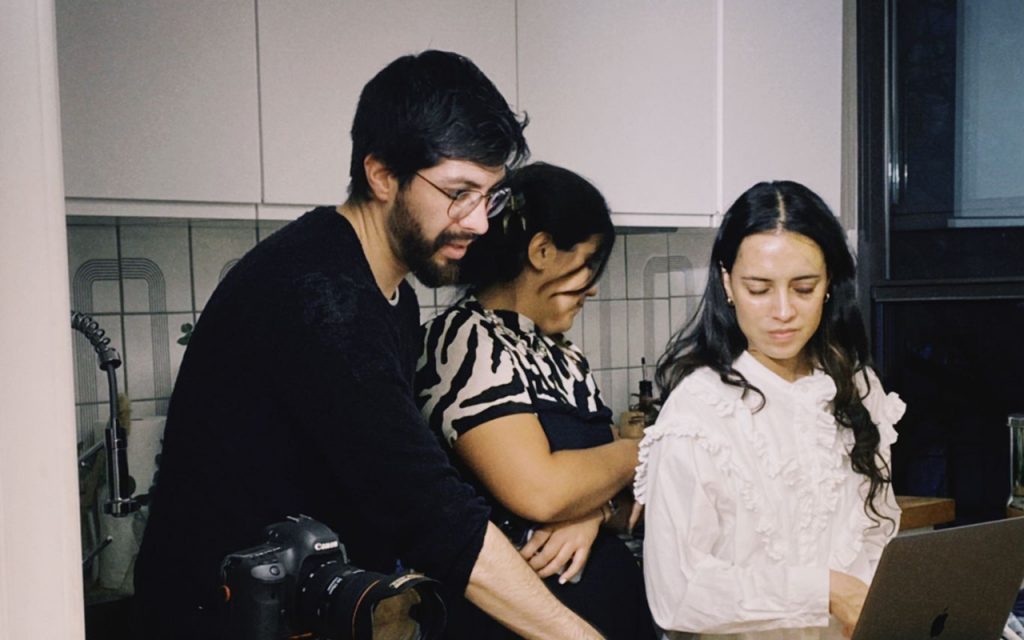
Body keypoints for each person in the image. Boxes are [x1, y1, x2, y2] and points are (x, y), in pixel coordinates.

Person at [132, 51, 607, 640]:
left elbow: (397, 479)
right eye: (459, 192)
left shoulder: (388, 296)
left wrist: (590, 509)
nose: (480, 222)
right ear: (382, 175)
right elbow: (430, 512)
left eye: (491, 195)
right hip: (220, 620)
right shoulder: (319, 298)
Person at [634, 181, 906, 639]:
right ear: (727, 283)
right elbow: (677, 592)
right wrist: (823, 590)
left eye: (803, 287)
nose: (783, 311)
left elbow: (879, 531)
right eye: (759, 289)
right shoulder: (697, 411)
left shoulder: (857, 387)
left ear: (829, 285)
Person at [416, 163, 657, 639]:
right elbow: (540, 491)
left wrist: (594, 514)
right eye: (588, 261)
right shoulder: (463, 341)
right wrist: (640, 449)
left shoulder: (564, 355)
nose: (593, 285)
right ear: (542, 251)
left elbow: (628, 499)